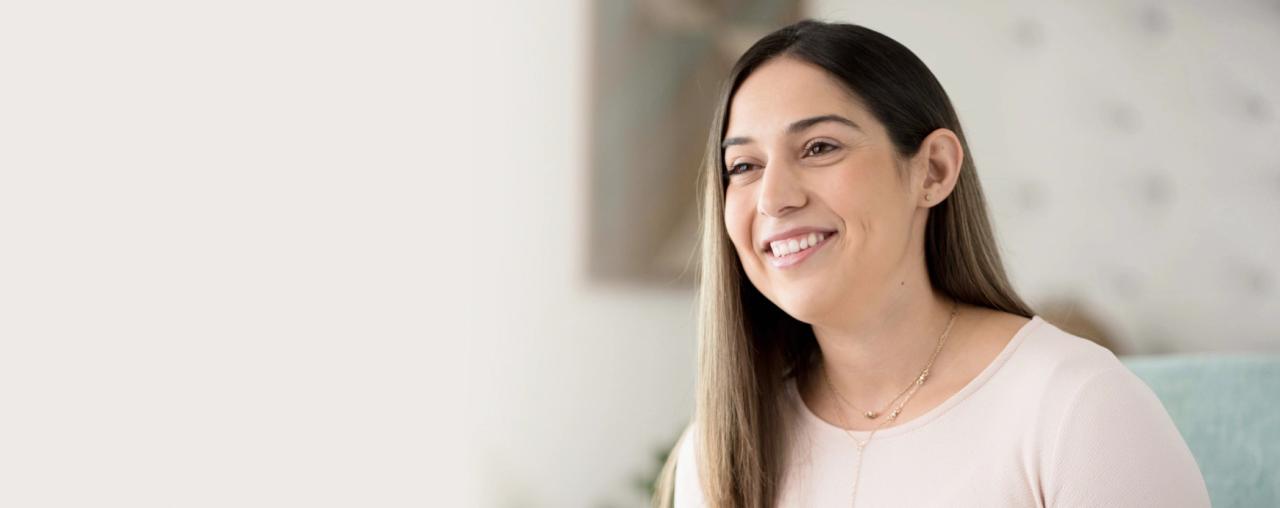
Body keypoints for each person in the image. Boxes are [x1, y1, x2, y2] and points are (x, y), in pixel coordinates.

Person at [650, 20, 1209, 507]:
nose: (773, 197)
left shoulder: (1080, 411)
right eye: (743, 165)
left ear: (934, 171)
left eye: (820, 147)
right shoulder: (718, 453)